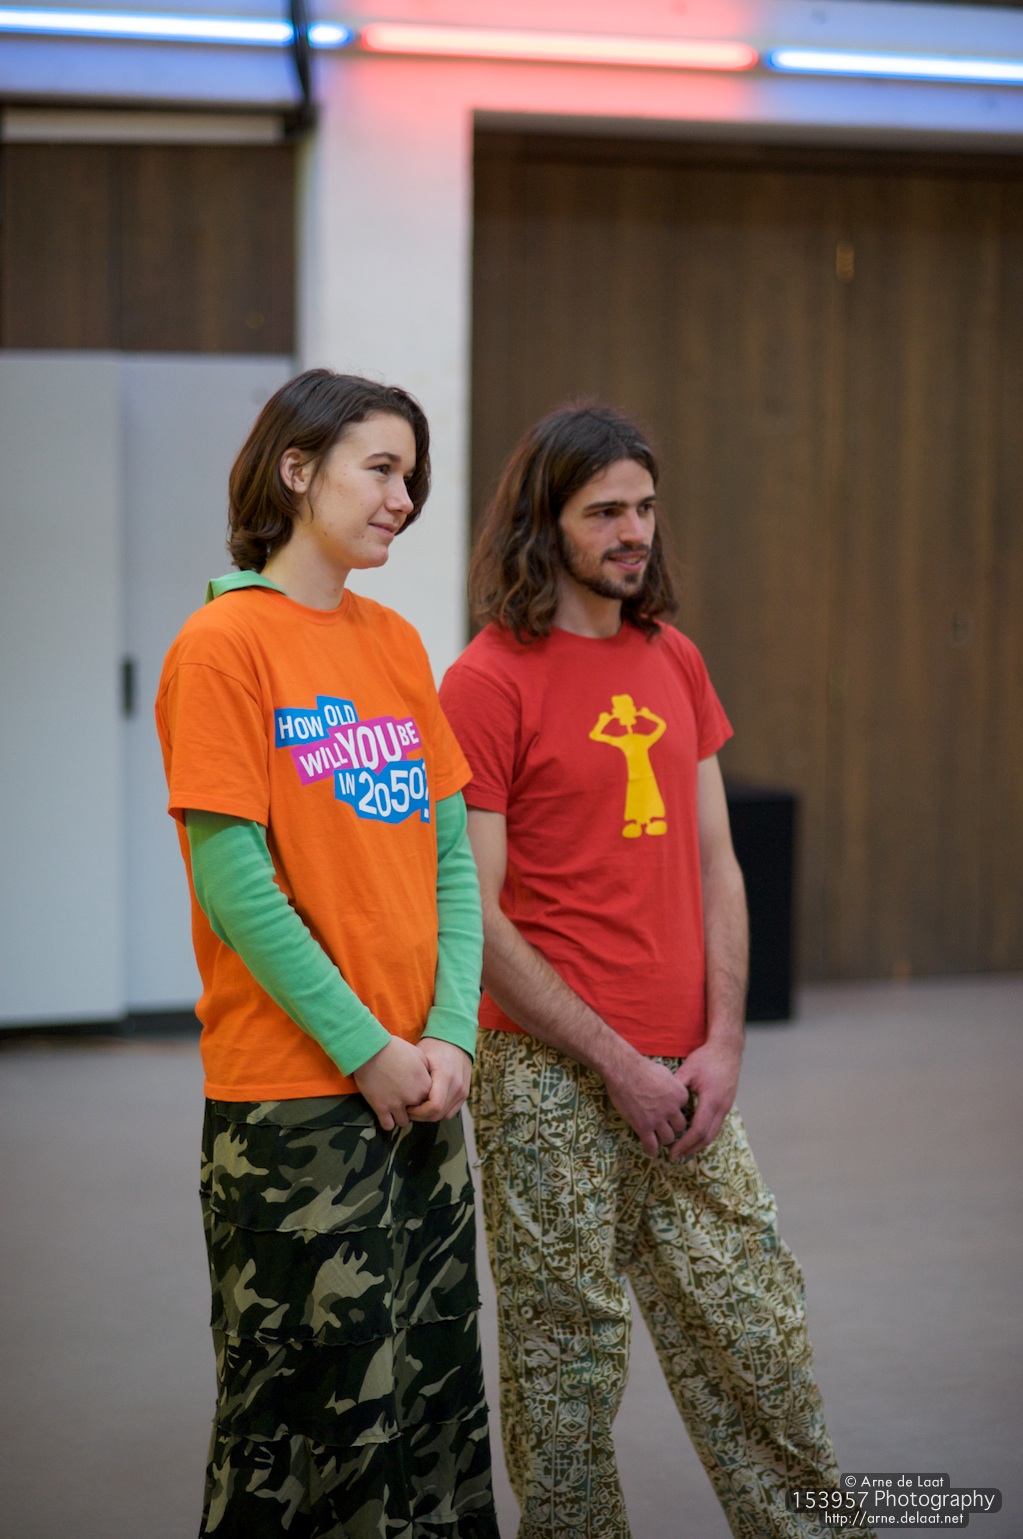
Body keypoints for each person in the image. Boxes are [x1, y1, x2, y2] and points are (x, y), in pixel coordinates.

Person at [439, 404, 867, 1539]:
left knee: (758, 1333)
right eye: (604, 512)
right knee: (565, 1375)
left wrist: (723, 1042)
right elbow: (475, 914)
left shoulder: (673, 656)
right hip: (546, 1075)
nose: (633, 532)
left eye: (644, 507)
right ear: (543, 522)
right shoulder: (486, 682)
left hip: (687, 1071)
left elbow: (719, 865)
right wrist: (616, 1061)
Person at [155, 369, 500, 1539]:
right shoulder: (222, 644)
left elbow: (450, 861)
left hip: (423, 1088)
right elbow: (235, 887)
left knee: (434, 1403)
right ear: (296, 470)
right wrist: (366, 1049)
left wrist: (449, 1033)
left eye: (415, 476)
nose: (405, 497)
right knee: (303, 1432)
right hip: (297, 1106)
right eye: (382, 469)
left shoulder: (395, 644)